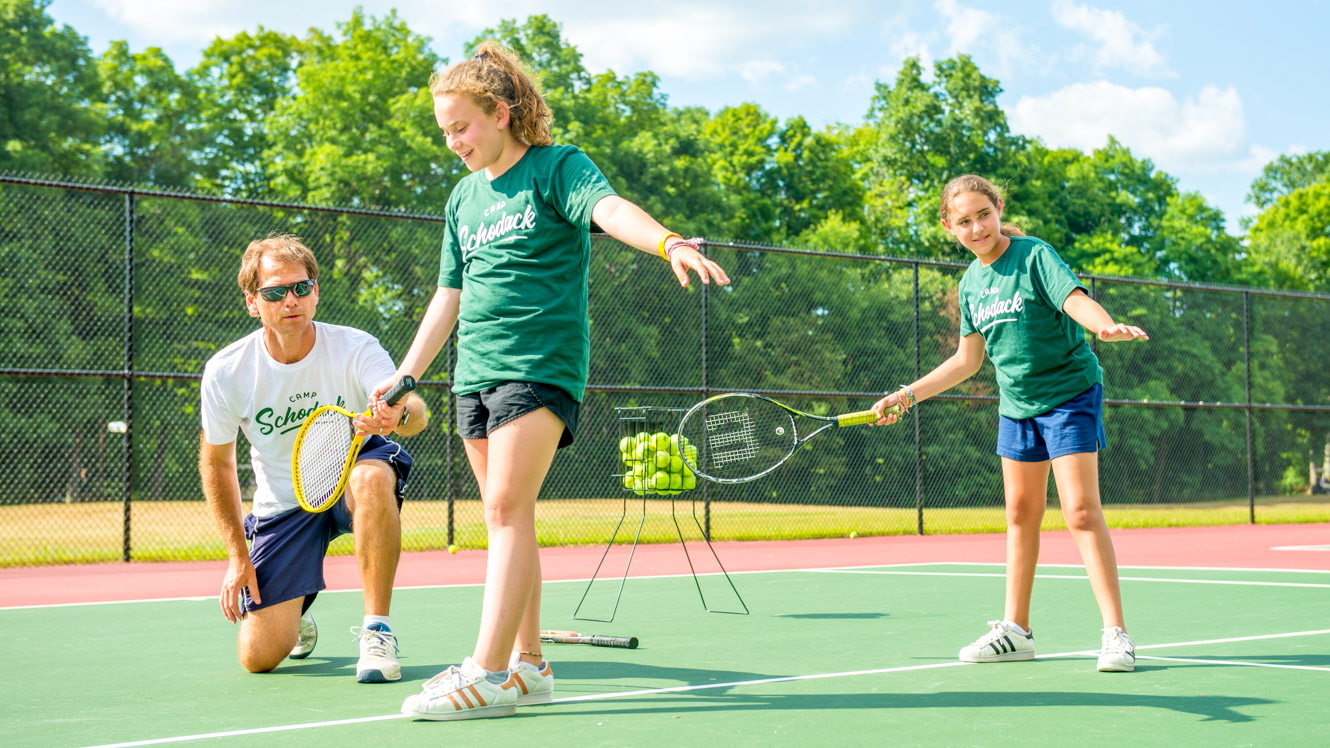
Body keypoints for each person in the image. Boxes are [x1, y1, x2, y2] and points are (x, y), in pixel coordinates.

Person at [373, 42, 730, 721]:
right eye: (444, 132)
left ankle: (487, 671)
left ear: (500, 113)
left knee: (507, 509)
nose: (452, 143)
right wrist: (405, 375)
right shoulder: (462, 198)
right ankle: (530, 664)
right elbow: (448, 294)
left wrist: (668, 242)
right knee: (509, 517)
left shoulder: (556, 167)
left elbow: (610, 209)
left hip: (538, 366)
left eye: (462, 128)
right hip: (471, 374)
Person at [871, 174, 1148, 672]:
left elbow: (1073, 299)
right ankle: (1016, 632)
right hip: (1016, 406)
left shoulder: (1035, 255)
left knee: (1081, 511)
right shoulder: (970, 284)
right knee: (1021, 515)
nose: (977, 227)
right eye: (964, 220)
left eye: (983, 214)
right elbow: (966, 361)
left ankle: (1116, 635)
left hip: (1069, 395)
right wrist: (908, 395)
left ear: (998, 209)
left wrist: (1101, 325)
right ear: (948, 226)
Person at [199, 233, 428, 683]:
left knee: (371, 476)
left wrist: (397, 413)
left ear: (316, 292)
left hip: (348, 479)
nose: (291, 300)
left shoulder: (355, 347)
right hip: (282, 506)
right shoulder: (227, 371)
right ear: (253, 302)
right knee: (258, 656)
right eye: (275, 292)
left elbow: (415, 412)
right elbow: (217, 464)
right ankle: (295, 606)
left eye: (301, 287)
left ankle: (376, 630)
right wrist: (237, 556)